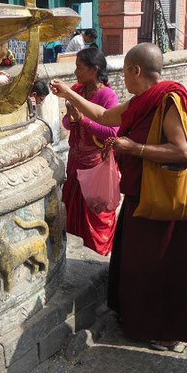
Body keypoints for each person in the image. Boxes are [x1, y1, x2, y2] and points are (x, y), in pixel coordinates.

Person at [50, 43, 187, 350]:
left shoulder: (169, 100)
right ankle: (137, 322)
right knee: (136, 264)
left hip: (162, 204)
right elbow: (105, 115)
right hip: (140, 197)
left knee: (160, 269)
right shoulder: (142, 101)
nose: (122, 78)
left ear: (136, 70)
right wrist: (68, 94)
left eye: (125, 71)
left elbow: (182, 150)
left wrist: (133, 148)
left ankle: (166, 333)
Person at [60, 47, 120, 256]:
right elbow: (67, 124)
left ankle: (96, 260)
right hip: (75, 163)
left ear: (94, 70)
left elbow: (111, 132)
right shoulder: (77, 90)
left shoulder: (107, 96)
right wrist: (72, 119)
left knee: (95, 219)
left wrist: (83, 120)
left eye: (80, 68)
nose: (76, 72)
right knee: (70, 215)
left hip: (95, 167)